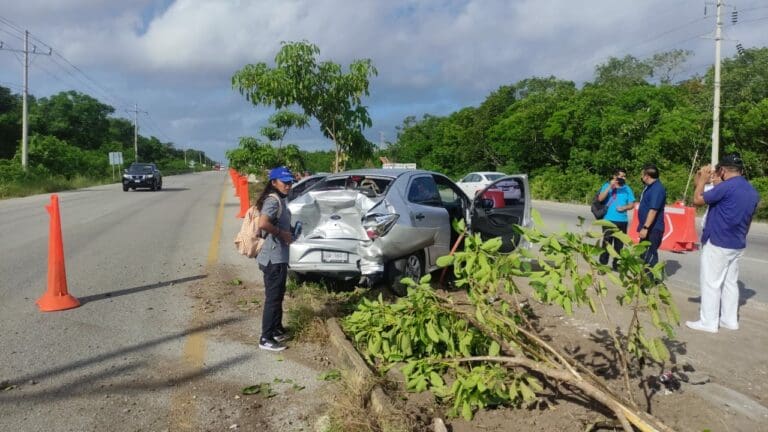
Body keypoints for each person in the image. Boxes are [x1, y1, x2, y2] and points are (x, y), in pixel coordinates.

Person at [686, 153, 760, 333]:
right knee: (730, 283)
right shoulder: (752, 191)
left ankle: (708, 323)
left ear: (724, 170)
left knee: (711, 283)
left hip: (718, 241)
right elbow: (748, 220)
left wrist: (702, 179)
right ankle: (729, 320)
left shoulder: (726, 187)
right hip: (736, 242)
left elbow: (697, 200)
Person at [255, 166, 295, 351]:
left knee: (278, 295)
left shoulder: (280, 199)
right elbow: (263, 223)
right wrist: (282, 234)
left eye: (290, 182)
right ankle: (266, 337)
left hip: (278, 257)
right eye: (284, 182)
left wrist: (289, 231)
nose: (288, 185)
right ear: (274, 182)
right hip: (273, 258)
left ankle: (277, 329)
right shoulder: (273, 200)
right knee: (273, 298)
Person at [596, 168, 636, 270]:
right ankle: (602, 265)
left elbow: (632, 204)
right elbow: (600, 198)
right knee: (606, 243)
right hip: (608, 220)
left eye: (624, 176)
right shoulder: (607, 186)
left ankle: (616, 265)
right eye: (621, 176)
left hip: (622, 221)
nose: (623, 178)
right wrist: (610, 186)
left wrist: (624, 207)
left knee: (619, 245)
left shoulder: (627, 188)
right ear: (615, 176)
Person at [637, 164, 666, 278]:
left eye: (642, 174)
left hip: (652, 229)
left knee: (650, 256)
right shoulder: (649, 187)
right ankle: (643, 279)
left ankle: (652, 280)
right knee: (643, 254)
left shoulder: (657, 189)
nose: (641, 177)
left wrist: (645, 228)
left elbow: (653, 210)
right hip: (647, 227)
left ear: (647, 176)